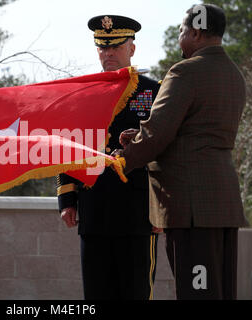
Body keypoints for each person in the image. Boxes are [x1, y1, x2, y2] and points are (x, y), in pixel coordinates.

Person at [116, 4, 247, 299]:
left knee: (197, 292)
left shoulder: (186, 71)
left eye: (181, 31)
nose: (178, 38)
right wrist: (138, 136)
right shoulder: (234, 74)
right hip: (222, 200)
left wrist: (121, 161)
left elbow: (158, 134)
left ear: (196, 32)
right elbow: (195, 130)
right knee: (219, 290)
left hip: (191, 206)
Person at [57, 15, 160, 300]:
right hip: (95, 210)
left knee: (136, 292)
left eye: (115, 47)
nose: (108, 53)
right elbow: (68, 147)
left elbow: (167, 152)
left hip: (138, 214)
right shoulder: (83, 94)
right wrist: (67, 199)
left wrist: (162, 206)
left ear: (132, 49)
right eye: (103, 48)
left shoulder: (154, 92)